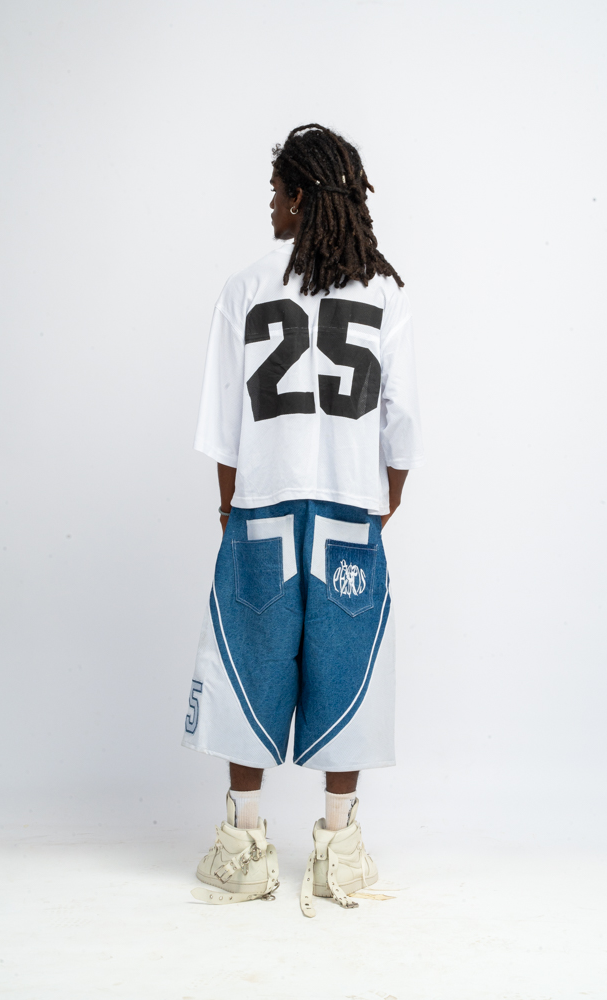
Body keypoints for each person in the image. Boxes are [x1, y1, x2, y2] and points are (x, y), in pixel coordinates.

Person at [183, 124, 424, 916]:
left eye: (275, 192)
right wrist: (382, 504)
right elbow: (401, 422)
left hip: (262, 502)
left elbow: (224, 423)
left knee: (248, 663)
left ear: (298, 196)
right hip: (351, 508)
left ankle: (244, 844)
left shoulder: (245, 286)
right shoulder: (385, 292)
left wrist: (230, 507)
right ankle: (338, 850)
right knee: (345, 666)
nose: (269, 206)